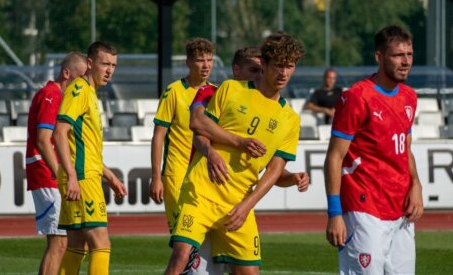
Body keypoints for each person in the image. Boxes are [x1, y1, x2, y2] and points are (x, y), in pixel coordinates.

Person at [164, 32, 305, 275]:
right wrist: (228, 146)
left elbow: (274, 169)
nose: (283, 73)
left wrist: (247, 205)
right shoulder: (231, 89)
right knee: (180, 256)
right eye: (278, 66)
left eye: (289, 66)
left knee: (249, 272)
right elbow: (198, 126)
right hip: (201, 191)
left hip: (238, 202)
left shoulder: (290, 119)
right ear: (266, 65)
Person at [324, 25, 423, 274]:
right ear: (379, 57)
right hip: (364, 210)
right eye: (398, 55)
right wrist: (335, 213)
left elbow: (405, 149)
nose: (406, 61)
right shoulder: (357, 97)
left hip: (401, 210)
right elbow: (335, 157)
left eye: (409, 54)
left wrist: (416, 185)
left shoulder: (410, 96)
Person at [53, 41, 127, 275]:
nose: (109, 70)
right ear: (90, 63)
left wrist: (110, 175)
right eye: (105, 63)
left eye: (113, 65)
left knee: (76, 245)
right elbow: (59, 132)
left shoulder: (90, 93)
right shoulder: (80, 90)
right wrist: (73, 177)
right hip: (83, 179)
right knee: (101, 243)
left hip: (84, 175)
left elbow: (85, 145)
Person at [26, 52, 88, 275]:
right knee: (59, 242)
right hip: (46, 172)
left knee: (70, 240)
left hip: (50, 172)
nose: (84, 83)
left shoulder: (58, 96)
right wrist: (62, 174)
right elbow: (43, 140)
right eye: (81, 77)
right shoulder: (52, 95)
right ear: (66, 73)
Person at [149, 37, 215, 231]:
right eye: (200, 60)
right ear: (188, 63)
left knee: (201, 233)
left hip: (202, 174)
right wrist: (156, 177)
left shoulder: (216, 93)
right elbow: (158, 136)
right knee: (181, 233)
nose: (206, 65)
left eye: (209, 60)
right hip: (176, 172)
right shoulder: (174, 91)